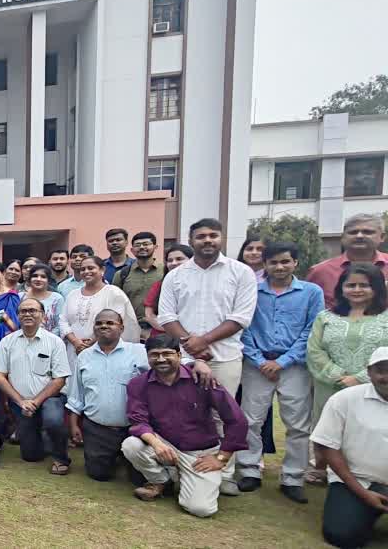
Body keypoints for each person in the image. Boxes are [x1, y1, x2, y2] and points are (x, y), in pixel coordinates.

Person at [157, 218, 257, 495]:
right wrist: (191, 345)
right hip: (182, 358)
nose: (207, 240)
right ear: (191, 241)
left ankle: (224, 472)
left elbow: (241, 317)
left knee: (224, 414)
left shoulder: (241, 273)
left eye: (213, 235)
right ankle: (180, 465)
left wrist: (204, 341)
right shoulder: (176, 276)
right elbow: (166, 316)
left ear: (221, 238)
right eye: (201, 236)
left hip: (223, 355)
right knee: (182, 411)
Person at [122, 334, 248, 518]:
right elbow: (138, 420)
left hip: (200, 453)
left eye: (167, 353)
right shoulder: (138, 384)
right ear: (147, 357)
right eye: (154, 355)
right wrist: (157, 445)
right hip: (165, 444)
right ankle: (160, 481)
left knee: (202, 509)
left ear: (179, 355)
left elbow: (237, 419)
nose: (161, 359)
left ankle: (185, 478)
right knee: (132, 445)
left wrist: (221, 458)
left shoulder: (201, 378)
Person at [236, 241, 324, 502]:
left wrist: (283, 361)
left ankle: (292, 477)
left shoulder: (310, 292)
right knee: (251, 420)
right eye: (273, 262)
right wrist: (258, 359)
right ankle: (250, 470)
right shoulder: (252, 290)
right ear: (264, 265)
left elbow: (312, 330)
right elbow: (244, 326)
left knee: (297, 424)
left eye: (285, 261)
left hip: (294, 365)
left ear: (295, 263)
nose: (279, 267)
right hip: (256, 364)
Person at [307, 264, 388, 486]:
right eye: (350, 285)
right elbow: (314, 350)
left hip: (376, 386)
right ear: (341, 288)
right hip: (330, 385)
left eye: (364, 285)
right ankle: (321, 468)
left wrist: (360, 378)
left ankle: (361, 473)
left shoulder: (385, 318)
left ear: (377, 288)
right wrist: (337, 375)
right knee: (327, 425)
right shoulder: (326, 317)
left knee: (366, 428)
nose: (356, 289)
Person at [310, 347, 388, 548]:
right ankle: (365, 510)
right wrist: (364, 495)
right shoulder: (345, 399)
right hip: (355, 482)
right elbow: (327, 447)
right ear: (369, 372)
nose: (387, 376)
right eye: (382, 370)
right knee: (341, 535)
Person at [67, 310, 151, 484]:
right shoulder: (84, 356)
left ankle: (125, 458)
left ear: (121, 328)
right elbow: (77, 394)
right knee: (99, 474)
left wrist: (198, 363)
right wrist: (74, 424)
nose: (104, 326)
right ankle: (113, 457)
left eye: (110, 323)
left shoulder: (139, 352)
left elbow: (168, 362)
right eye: (99, 323)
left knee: (139, 480)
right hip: (97, 429)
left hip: (133, 429)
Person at [0, 298, 72, 474]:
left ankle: (61, 458)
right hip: (20, 402)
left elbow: (60, 379)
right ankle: (42, 437)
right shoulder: (7, 342)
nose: (27, 314)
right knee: (30, 455)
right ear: (18, 315)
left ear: (42, 315)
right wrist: (21, 402)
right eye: (23, 311)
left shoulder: (54, 342)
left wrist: (35, 402)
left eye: (33, 310)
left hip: (49, 399)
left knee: (52, 420)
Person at [59, 256, 140, 398]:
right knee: (75, 389)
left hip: (103, 349)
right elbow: (63, 321)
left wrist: (92, 342)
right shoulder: (73, 294)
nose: (86, 271)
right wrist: (76, 342)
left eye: (91, 268)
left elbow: (117, 322)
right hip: (74, 350)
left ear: (102, 270)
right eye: (83, 269)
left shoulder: (113, 292)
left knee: (98, 387)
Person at [307, 214, 388, 310]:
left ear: (382, 237)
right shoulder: (320, 272)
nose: (359, 236)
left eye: (367, 232)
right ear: (343, 237)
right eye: (353, 232)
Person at [112, 232, 161, 331]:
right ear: (132, 250)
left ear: (155, 247)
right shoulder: (122, 274)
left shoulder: (165, 271)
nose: (142, 247)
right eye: (138, 245)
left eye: (146, 244)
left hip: (160, 327)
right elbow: (115, 302)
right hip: (130, 328)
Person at [144, 244, 194, 333]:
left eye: (179, 259)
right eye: (170, 260)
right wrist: (174, 330)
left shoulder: (201, 285)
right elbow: (149, 315)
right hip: (162, 338)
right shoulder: (158, 285)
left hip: (194, 336)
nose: (174, 263)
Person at [24, 263, 64, 333]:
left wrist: (46, 338)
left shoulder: (57, 299)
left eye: (43, 277)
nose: (38, 279)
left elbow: (60, 325)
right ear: (30, 279)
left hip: (50, 341)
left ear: (48, 280)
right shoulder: (20, 297)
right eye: (35, 276)